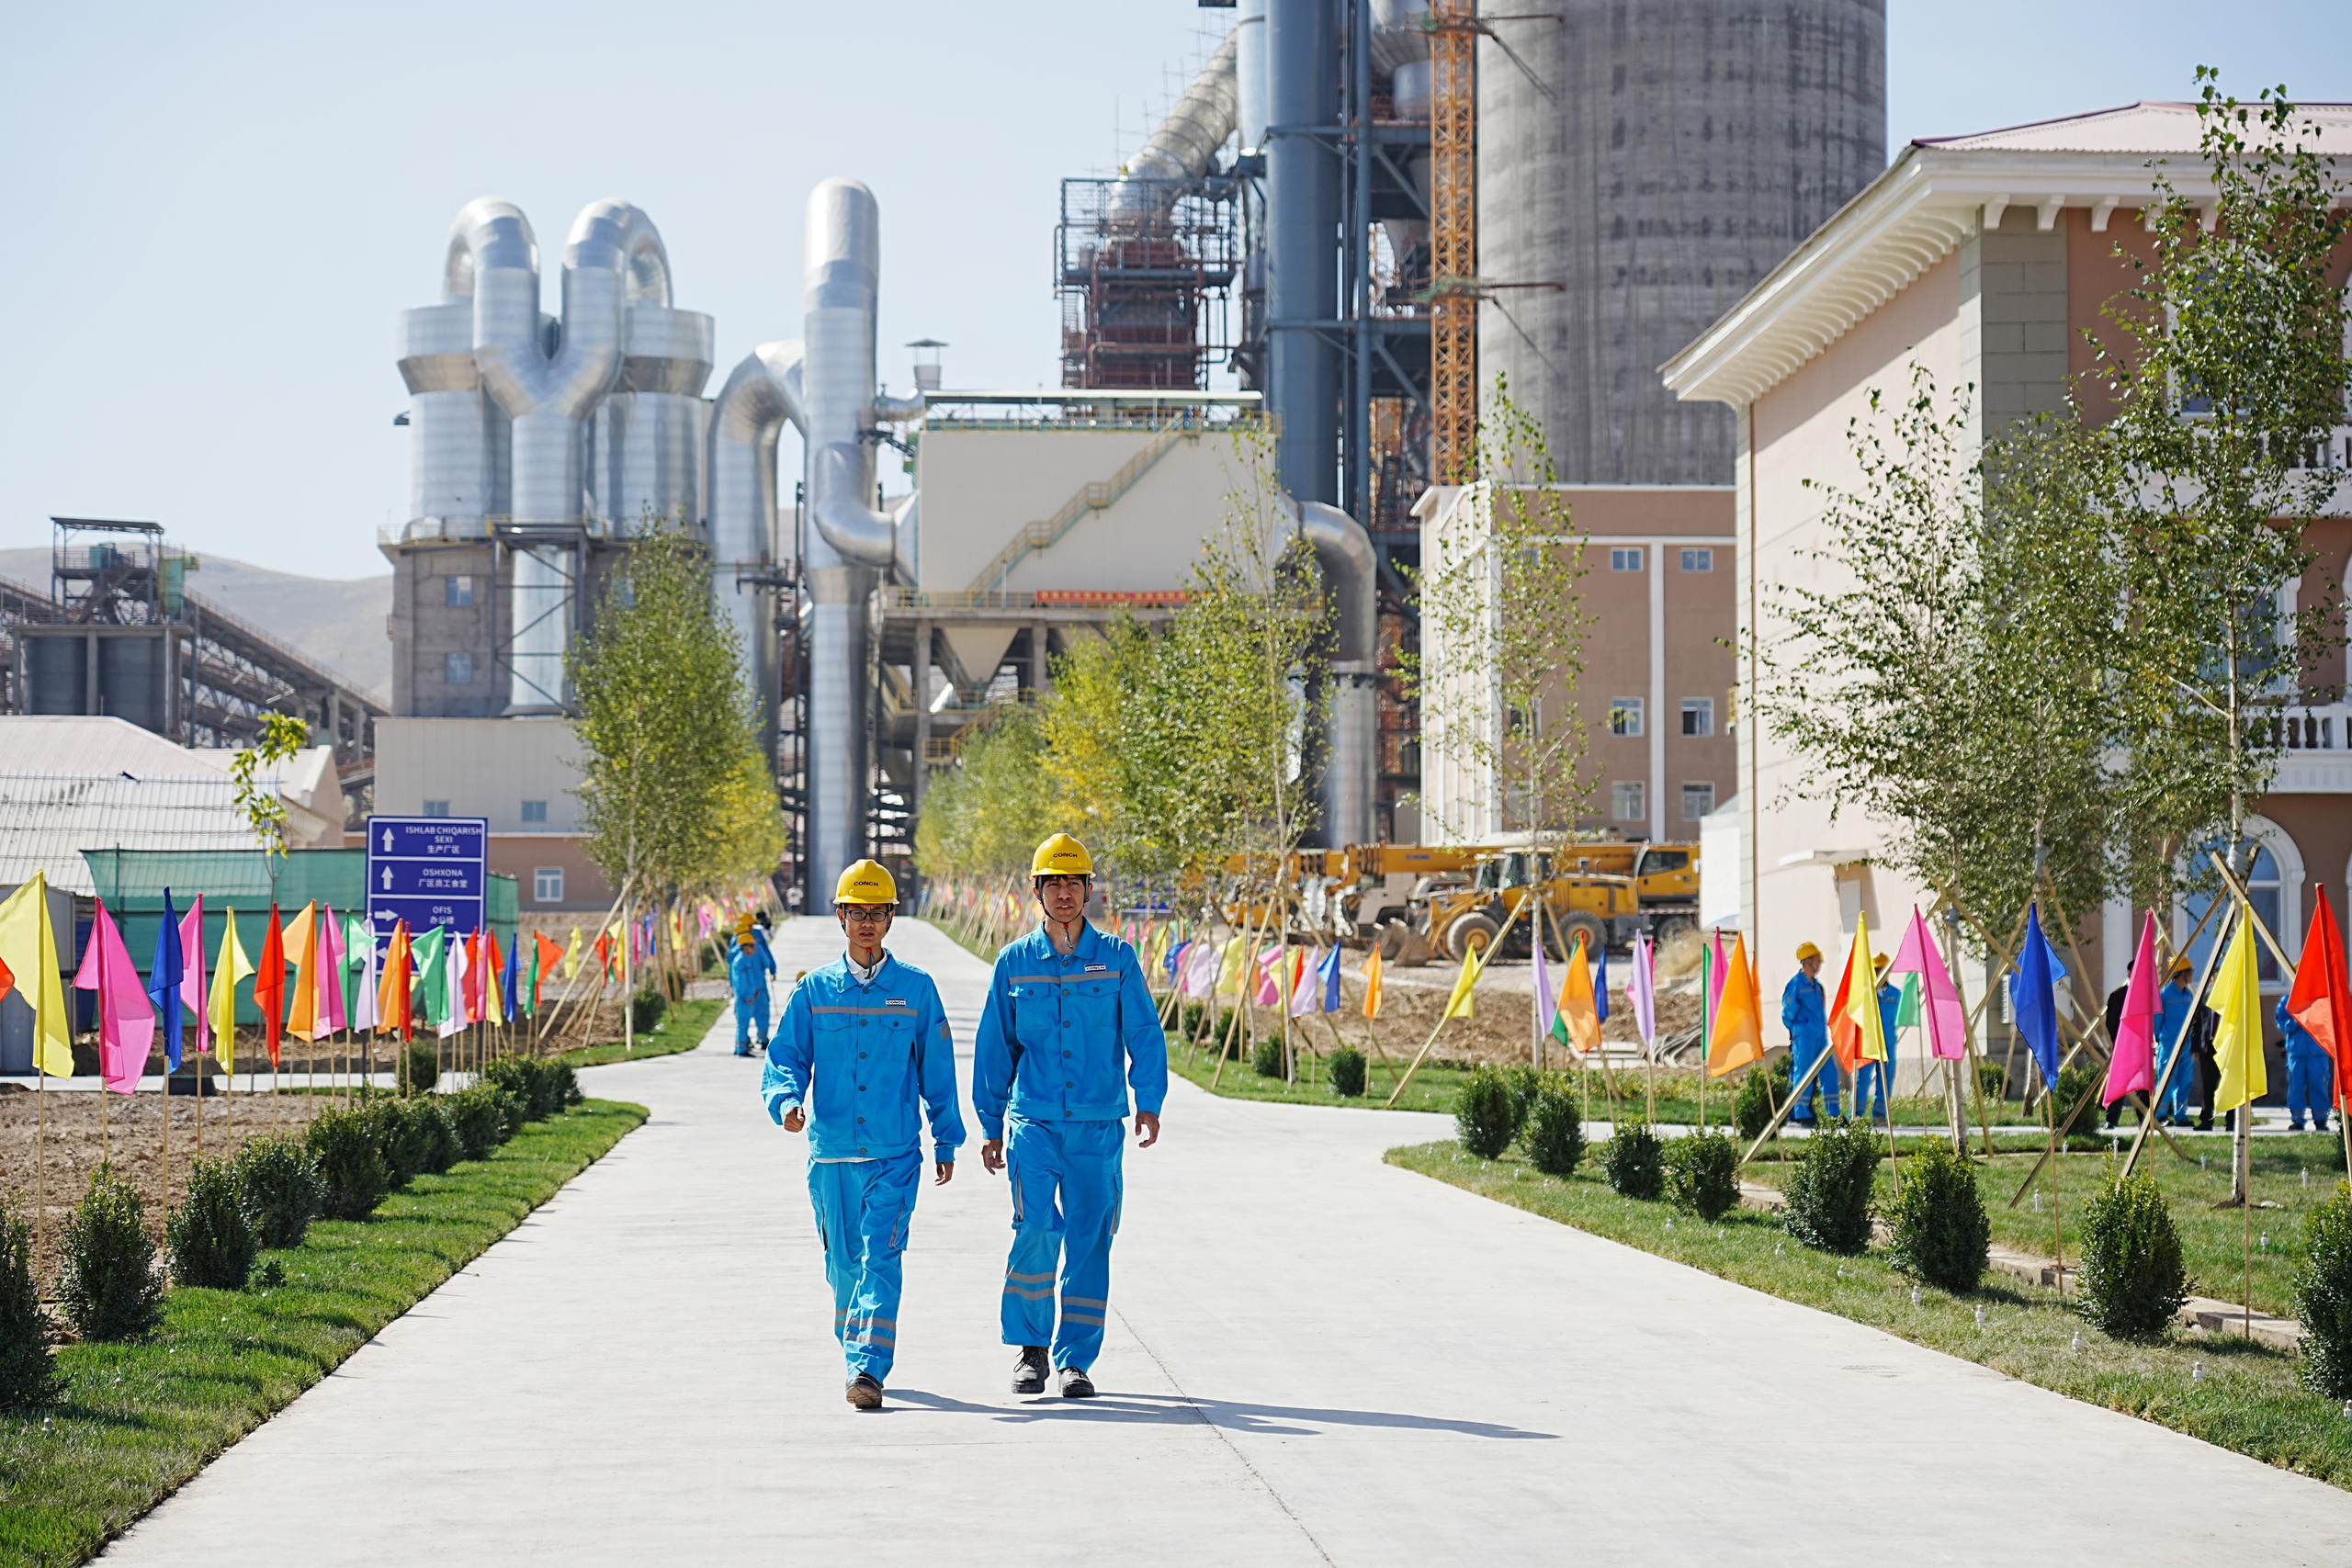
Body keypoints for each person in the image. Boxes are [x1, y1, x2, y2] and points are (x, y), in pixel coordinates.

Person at [762, 860, 964, 1411]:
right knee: (844, 1267)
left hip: (894, 1153)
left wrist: (946, 1138)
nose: (867, 923)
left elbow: (938, 1071)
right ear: (841, 916)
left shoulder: (917, 991)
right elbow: (786, 1057)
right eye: (858, 913)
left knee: (882, 1257)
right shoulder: (814, 992)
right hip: (830, 1156)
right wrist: (785, 1102)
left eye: (877, 913)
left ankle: (868, 1369)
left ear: (891, 918)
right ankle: (856, 1349)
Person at [974, 832, 1168, 1400]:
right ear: (1037, 891)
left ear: (1089, 890)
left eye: (1073, 882)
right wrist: (989, 1124)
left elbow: (1144, 1034)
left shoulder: (1116, 960)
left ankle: (1074, 1360)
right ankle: (1030, 1350)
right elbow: (995, 1047)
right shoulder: (1013, 963)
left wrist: (1148, 1100)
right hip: (1033, 1121)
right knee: (1035, 1228)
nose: (1064, 893)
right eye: (1053, 883)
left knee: (1089, 1238)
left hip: (1097, 1125)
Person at [1781, 942, 1836, 1123]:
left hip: (1820, 1037)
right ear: (1807, 961)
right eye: (1816, 960)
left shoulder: (1817, 986)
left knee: (1829, 1072)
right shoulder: (1796, 985)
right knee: (1803, 1073)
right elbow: (1788, 1013)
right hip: (1804, 1038)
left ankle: (1834, 1114)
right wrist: (1798, 1030)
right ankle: (1801, 1113)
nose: (1819, 963)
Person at [1854, 953, 1900, 1123]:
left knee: (1886, 1079)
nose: (1878, 973)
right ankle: (1856, 1114)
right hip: (1868, 1042)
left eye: (1881, 969)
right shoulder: (1866, 994)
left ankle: (1880, 1114)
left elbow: (1899, 1018)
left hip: (1888, 1043)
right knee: (1863, 1079)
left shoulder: (1896, 994)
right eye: (1875, 970)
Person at [2279, 993, 2333, 1134]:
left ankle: (2321, 1120)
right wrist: (2295, 1022)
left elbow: (2330, 1023)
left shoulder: (2321, 1000)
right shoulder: (2288, 1000)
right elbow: (2282, 1023)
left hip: (2318, 1052)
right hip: (2296, 1053)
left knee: (2319, 1086)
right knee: (2296, 1087)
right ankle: (2297, 1120)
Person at [2154, 956, 2197, 1126]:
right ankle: (2160, 1114)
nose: (2193, 975)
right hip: (2169, 1044)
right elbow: (2157, 1020)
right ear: (2182, 974)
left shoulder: (2188, 994)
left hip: (2186, 1045)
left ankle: (2181, 1115)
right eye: (2191, 972)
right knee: (2166, 1079)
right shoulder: (2165, 994)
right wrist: (2159, 1038)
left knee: (2185, 1080)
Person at [730, 931, 774, 1058]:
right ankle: (741, 1048)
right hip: (745, 999)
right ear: (744, 946)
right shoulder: (740, 962)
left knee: (747, 1022)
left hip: (750, 996)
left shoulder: (746, 960)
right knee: (743, 1024)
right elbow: (740, 983)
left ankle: (743, 1047)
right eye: (752, 946)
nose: (755, 948)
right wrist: (748, 996)